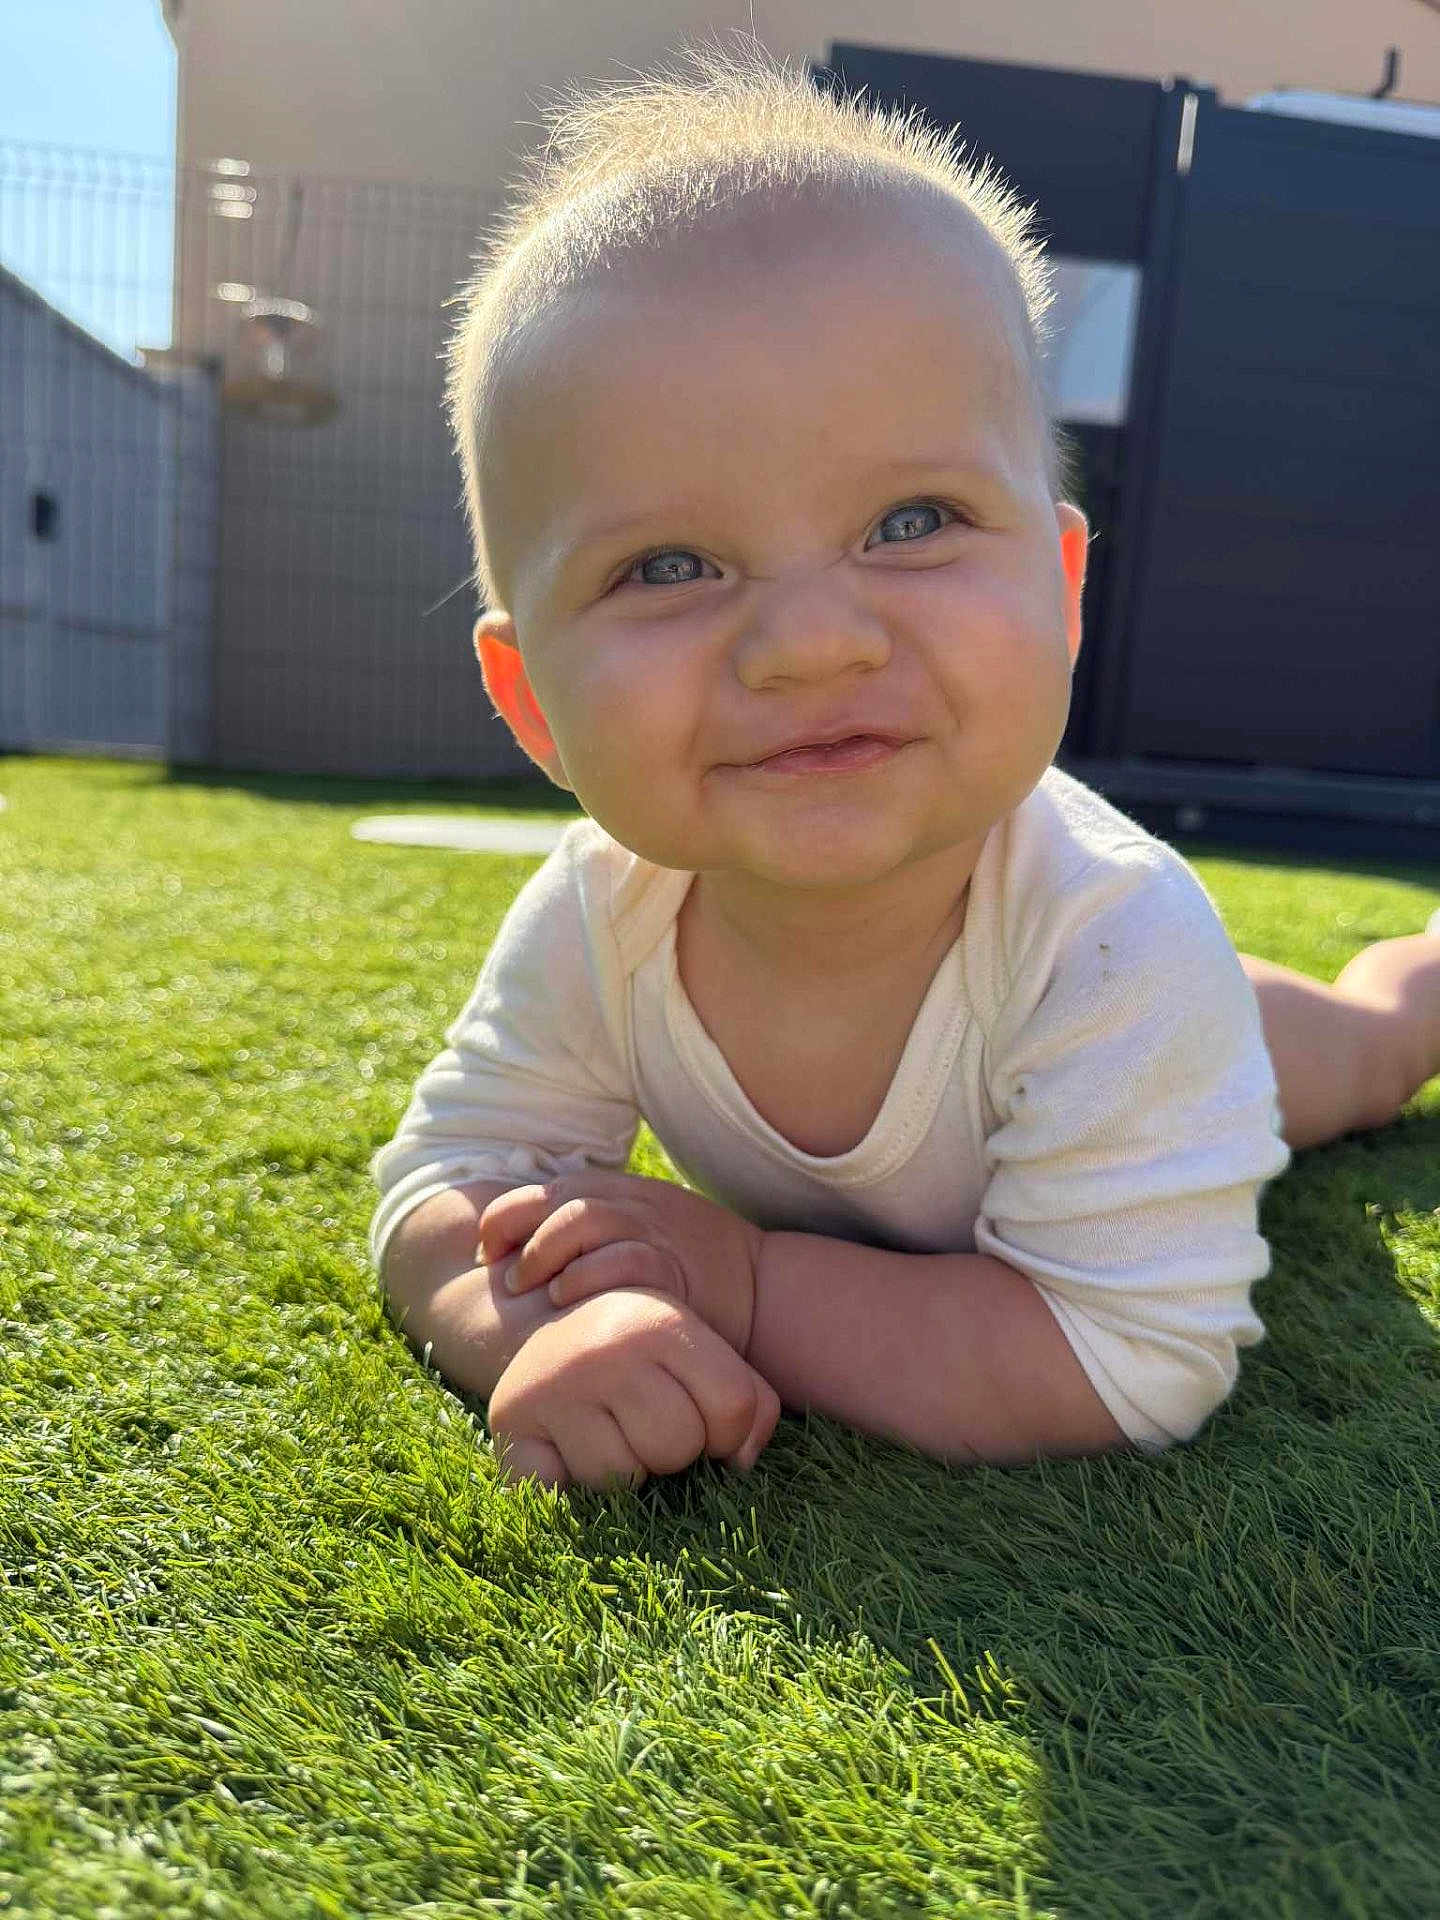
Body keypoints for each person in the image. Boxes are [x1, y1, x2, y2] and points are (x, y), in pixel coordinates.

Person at [371, 49, 1440, 1491]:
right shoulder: (601, 910)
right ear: (531, 702)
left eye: (913, 519)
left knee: (1365, 1057)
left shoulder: (1117, 941)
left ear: (1063, 588)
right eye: (669, 565)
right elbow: (447, 1184)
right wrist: (523, 1328)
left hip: (1202, 1044)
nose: (809, 644)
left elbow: (1132, 1359)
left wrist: (746, 1287)